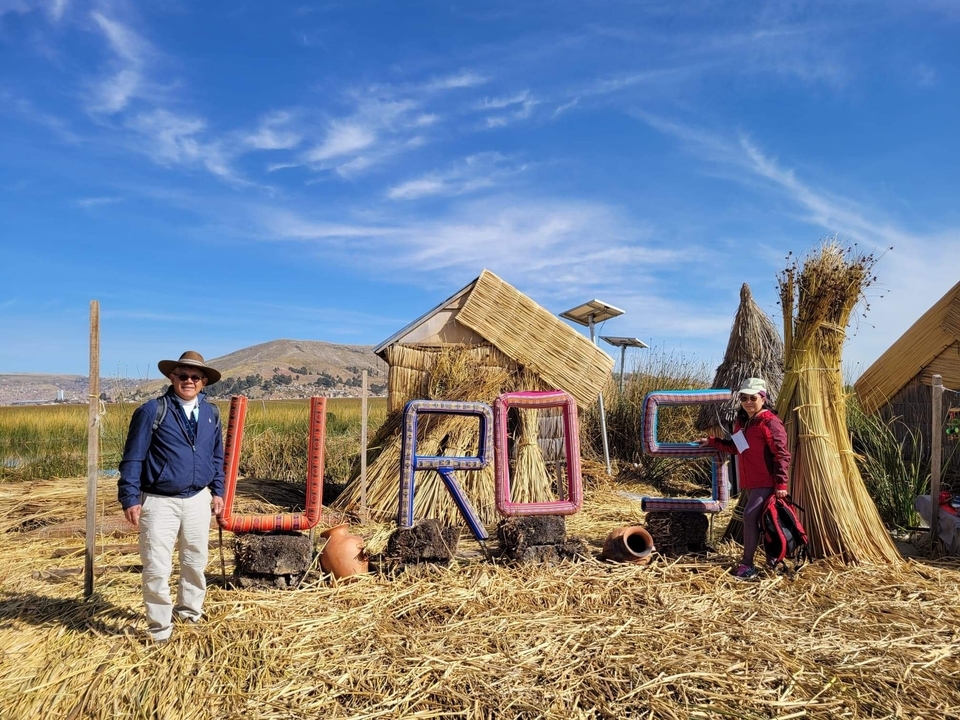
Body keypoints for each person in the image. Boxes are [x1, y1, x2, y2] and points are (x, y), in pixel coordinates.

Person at [118, 351, 225, 642]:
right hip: (159, 501)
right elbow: (133, 458)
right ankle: (160, 629)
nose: (188, 381)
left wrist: (218, 491)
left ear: (203, 382)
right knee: (156, 567)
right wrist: (130, 496)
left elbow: (217, 456)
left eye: (195, 377)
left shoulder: (211, 413)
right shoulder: (152, 411)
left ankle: (190, 612)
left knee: (195, 561)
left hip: (197, 500)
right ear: (171, 378)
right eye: (182, 375)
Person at [698, 377, 789, 580]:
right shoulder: (743, 423)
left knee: (750, 517)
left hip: (766, 481)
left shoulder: (770, 422)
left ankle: (747, 565)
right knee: (765, 521)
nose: (748, 402)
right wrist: (712, 442)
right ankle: (771, 561)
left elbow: (781, 454)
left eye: (753, 398)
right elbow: (736, 448)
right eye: (744, 398)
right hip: (751, 482)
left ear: (763, 399)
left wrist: (781, 484)